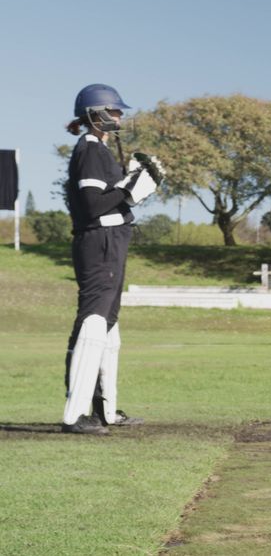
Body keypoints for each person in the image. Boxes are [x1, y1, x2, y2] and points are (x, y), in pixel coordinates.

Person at [61, 84, 162, 434]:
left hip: (112, 241)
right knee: (92, 323)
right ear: (96, 114)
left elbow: (113, 201)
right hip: (99, 243)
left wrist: (131, 187)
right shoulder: (90, 149)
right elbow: (92, 205)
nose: (120, 116)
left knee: (108, 327)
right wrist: (130, 189)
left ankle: (106, 411)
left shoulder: (101, 150)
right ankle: (75, 415)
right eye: (114, 110)